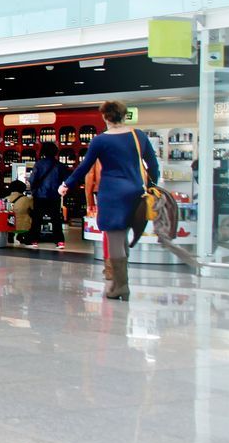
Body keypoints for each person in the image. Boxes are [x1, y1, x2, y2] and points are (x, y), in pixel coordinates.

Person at [60, 101, 161, 301]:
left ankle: (120, 286)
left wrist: (66, 184)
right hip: (136, 192)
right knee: (123, 237)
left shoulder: (100, 140)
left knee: (115, 237)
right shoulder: (138, 136)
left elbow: (84, 167)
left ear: (105, 117)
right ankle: (119, 283)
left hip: (112, 194)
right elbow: (153, 164)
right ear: (124, 115)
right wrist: (152, 185)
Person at [27, 147, 65, 248]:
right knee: (56, 218)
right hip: (54, 195)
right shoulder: (59, 165)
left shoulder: (39, 164)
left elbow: (32, 179)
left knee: (37, 218)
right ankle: (59, 241)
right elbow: (65, 180)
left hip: (40, 195)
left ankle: (34, 240)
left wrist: (33, 190)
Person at [6, 180, 33, 244]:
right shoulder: (27, 199)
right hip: (24, 227)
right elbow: (33, 209)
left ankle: (11, 238)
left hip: (9, 226)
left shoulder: (6, 199)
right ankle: (21, 237)